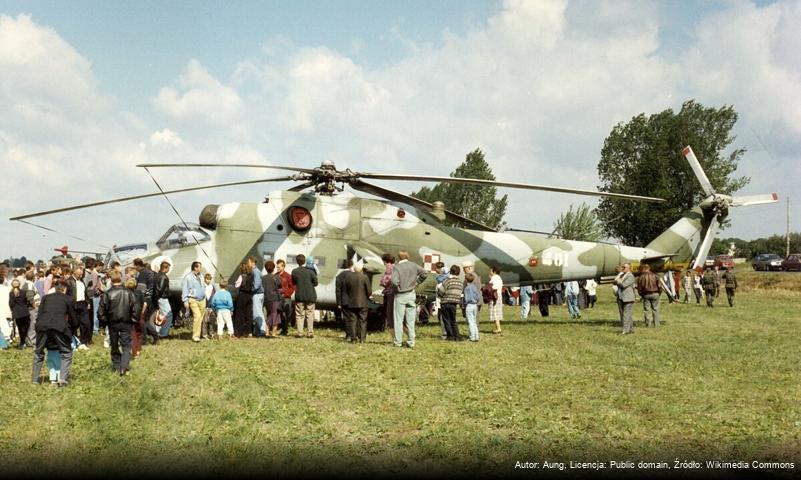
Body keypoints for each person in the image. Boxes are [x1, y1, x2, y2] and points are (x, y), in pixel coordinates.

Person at [32, 281, 75, 387]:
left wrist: (38, 327)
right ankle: (63, 380)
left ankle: (35, 380)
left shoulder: (45, 298)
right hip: (59, 326)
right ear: (64, 289)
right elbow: (73, 318)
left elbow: (40, 313)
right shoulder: (68, 299)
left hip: (43, 326)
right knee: (66, 353)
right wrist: (72, 330)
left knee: (38, 353)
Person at [99, 270, 138, 376]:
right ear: (121, 279)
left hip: (112, 323)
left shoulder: (107, 294)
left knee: (114, 345)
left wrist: (105, 322)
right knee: (126, 345)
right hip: (126, 322)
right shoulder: (129, 292)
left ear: (111, 280)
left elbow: (101, 311)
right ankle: (124, 366)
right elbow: (135, 308)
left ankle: (117, 366)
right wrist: (133, 320)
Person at [391, 250, 428, 348]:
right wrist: (417, 282)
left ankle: (398, 342)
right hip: (411, 294)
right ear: (408, 256)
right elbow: (424, 273)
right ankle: (411, 341)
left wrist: (398, 288)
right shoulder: (414, 265)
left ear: (399, 257)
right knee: (411, 320)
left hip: (400, 295)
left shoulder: (397, 267)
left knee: (398, 320)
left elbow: (394, 281)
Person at [64, 266, 92, 349]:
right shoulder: (68, 282)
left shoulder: (82, 281)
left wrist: (88, 302)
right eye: (79, 274)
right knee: (73, 324)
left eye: (81, 274)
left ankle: (83, 342)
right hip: (73, 305)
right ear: (74, 273)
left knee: (86, 323)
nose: (81, 276)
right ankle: (73, 341)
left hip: (83, 304)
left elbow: (85, 292)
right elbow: (66, 294)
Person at [344, 260, 372, 343]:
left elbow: (346, 289)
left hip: (351, 302)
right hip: (363, 302)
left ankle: (353, 338)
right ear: (361, 269)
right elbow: (369, 291)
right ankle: (362, 339)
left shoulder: (348, 277)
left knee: (352, 320)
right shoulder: (365, 277)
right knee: (363, 321)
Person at [291, 254, 318, 338]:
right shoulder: (311, 271)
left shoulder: (294, 271)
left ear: (297, 261)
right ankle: (310, 333)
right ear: (304, 261)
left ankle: (300, 333)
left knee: (299, 314)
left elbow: (294, 282)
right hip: (311, 296)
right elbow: (316, 283)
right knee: (310, 314)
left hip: (300, 296)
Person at [182, 261, 206, 342]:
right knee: (197, 316)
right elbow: (185, 289)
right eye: (200, 267)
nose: (201, 268)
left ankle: (200, 334)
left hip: (202, 299)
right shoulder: (188, 277)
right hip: (193, 299)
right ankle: (195, 337)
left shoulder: (202, 276)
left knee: (201, 318)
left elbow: (203, 286)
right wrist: (185, 301)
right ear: (195, 268)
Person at [437, 265, 463, 341]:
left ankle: (450, 336)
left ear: (450, 271)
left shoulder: (447, 281)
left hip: (445, 302)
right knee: (453, 320)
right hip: (454, 303)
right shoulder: (460, 282)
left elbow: (441, 292)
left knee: (446, 320)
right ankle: (457, 336)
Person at [233, 261, 254, 338]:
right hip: (249, 296)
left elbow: (237, 285)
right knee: (248, 314)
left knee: (239, 314)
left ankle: (239, 332)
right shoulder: (251, 276)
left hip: (242, 295)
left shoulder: (241, 276)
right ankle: (248, 332)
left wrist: (235, 283)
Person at [9, 279, 32, 349]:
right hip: (25, 312)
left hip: (17, 313)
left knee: (20, 328)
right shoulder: (24, 292)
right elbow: (27, 301)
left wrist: (13, 309)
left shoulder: (11, 293)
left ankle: (22, 342)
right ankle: (26, 341)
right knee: (26, 328)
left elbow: (11, 303)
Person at [335, 259, 355, 341]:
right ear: (351, 265)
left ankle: (348, 335)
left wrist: (338, 302)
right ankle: (354, 334)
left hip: (344, 300)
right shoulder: (354, 275)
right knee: (353, 318)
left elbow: (338, 290)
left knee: (346, 318)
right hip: (354, 300)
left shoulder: (339, 276)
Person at [614, 263, 636, 335]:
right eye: (622, 267)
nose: (623, 268)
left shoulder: (630, 276)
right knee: (624, 314)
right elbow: (614, 282)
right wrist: (618, 281)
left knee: (625, 315)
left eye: (624, 267)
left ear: (629, 268)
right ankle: (631, 329)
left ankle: (625, 331)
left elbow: (623, 285)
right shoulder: (621, 275)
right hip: (620, 297)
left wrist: (618, 281)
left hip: (628, 298)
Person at [262, 261, 282, 338]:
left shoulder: (263, 278)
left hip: (267, 299)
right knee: (275, 315)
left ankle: (267, 332)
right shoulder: (276, 277)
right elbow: (280, 285)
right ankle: (273, 333)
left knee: (269, 314)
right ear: (273, 269)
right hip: (275, 298)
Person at [275, 259, 295, 336]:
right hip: (278, 298)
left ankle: (285, 330)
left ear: (283, 267)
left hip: (286, 298)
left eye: (279, 267)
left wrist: (286, 294)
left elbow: (292, 287)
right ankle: (279, 329)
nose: (278, 268)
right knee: (279, 314)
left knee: (287, 315)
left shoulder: (288, 276)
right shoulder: (275, 275)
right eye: (277, 267)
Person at [153, 261, 173, 337]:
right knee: (168, 315)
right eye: (168, 268)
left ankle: (157, 331)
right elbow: (160, 289)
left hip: (158, 298)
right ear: (166, 268)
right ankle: (163, 333)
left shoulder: (157, 275)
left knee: (160, 316)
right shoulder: (164, 277)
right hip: (162, 298)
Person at [248, 256, 265, 337]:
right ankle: (258, 331)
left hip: (257, 294)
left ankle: (262, 330)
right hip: (258, 294)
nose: (248, 264)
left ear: (252, 262)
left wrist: (250, 290)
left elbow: (257, 284)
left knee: (257, 312)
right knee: (258, 312)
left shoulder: (256, 271)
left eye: (249, 262)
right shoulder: (255, 271)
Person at [380, 254, 396, 342]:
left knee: (389, 316)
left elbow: (385, 281)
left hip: (389, 292)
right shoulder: (396, 267)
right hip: (394, 293)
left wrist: (382, 281)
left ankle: (395, 338)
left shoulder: (389, 268)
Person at [463, 273, 481, 342]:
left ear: (466, 280)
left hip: (469, 305)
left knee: (470, 321)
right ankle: (477, 336)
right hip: (475, 305)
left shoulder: (467, 288)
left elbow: (466, 298)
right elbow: (478, 296)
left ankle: (472, 337)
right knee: (474, 321)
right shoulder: (474, 287)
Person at [488, 266, 504, 334]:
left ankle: (498, 328)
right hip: (499, 295)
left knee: (495, 312)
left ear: (494, 271)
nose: (490, 272)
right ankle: (498, 327)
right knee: (497, 311)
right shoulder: (499, 278)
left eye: (491, 270)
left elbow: (492, 287)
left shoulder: (494, 278)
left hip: (494, 296)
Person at [201, 273, 217, 339]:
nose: (208, 280)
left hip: (211, 307)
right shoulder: (202, 286)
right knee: (204, 321)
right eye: (207, 279)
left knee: (211, 321)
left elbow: (214, 296)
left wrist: (213, 306)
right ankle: (204, 334)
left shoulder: (212, 287)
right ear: (204, 279)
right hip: (204, 306)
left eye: (209, 279)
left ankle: (211, 333)